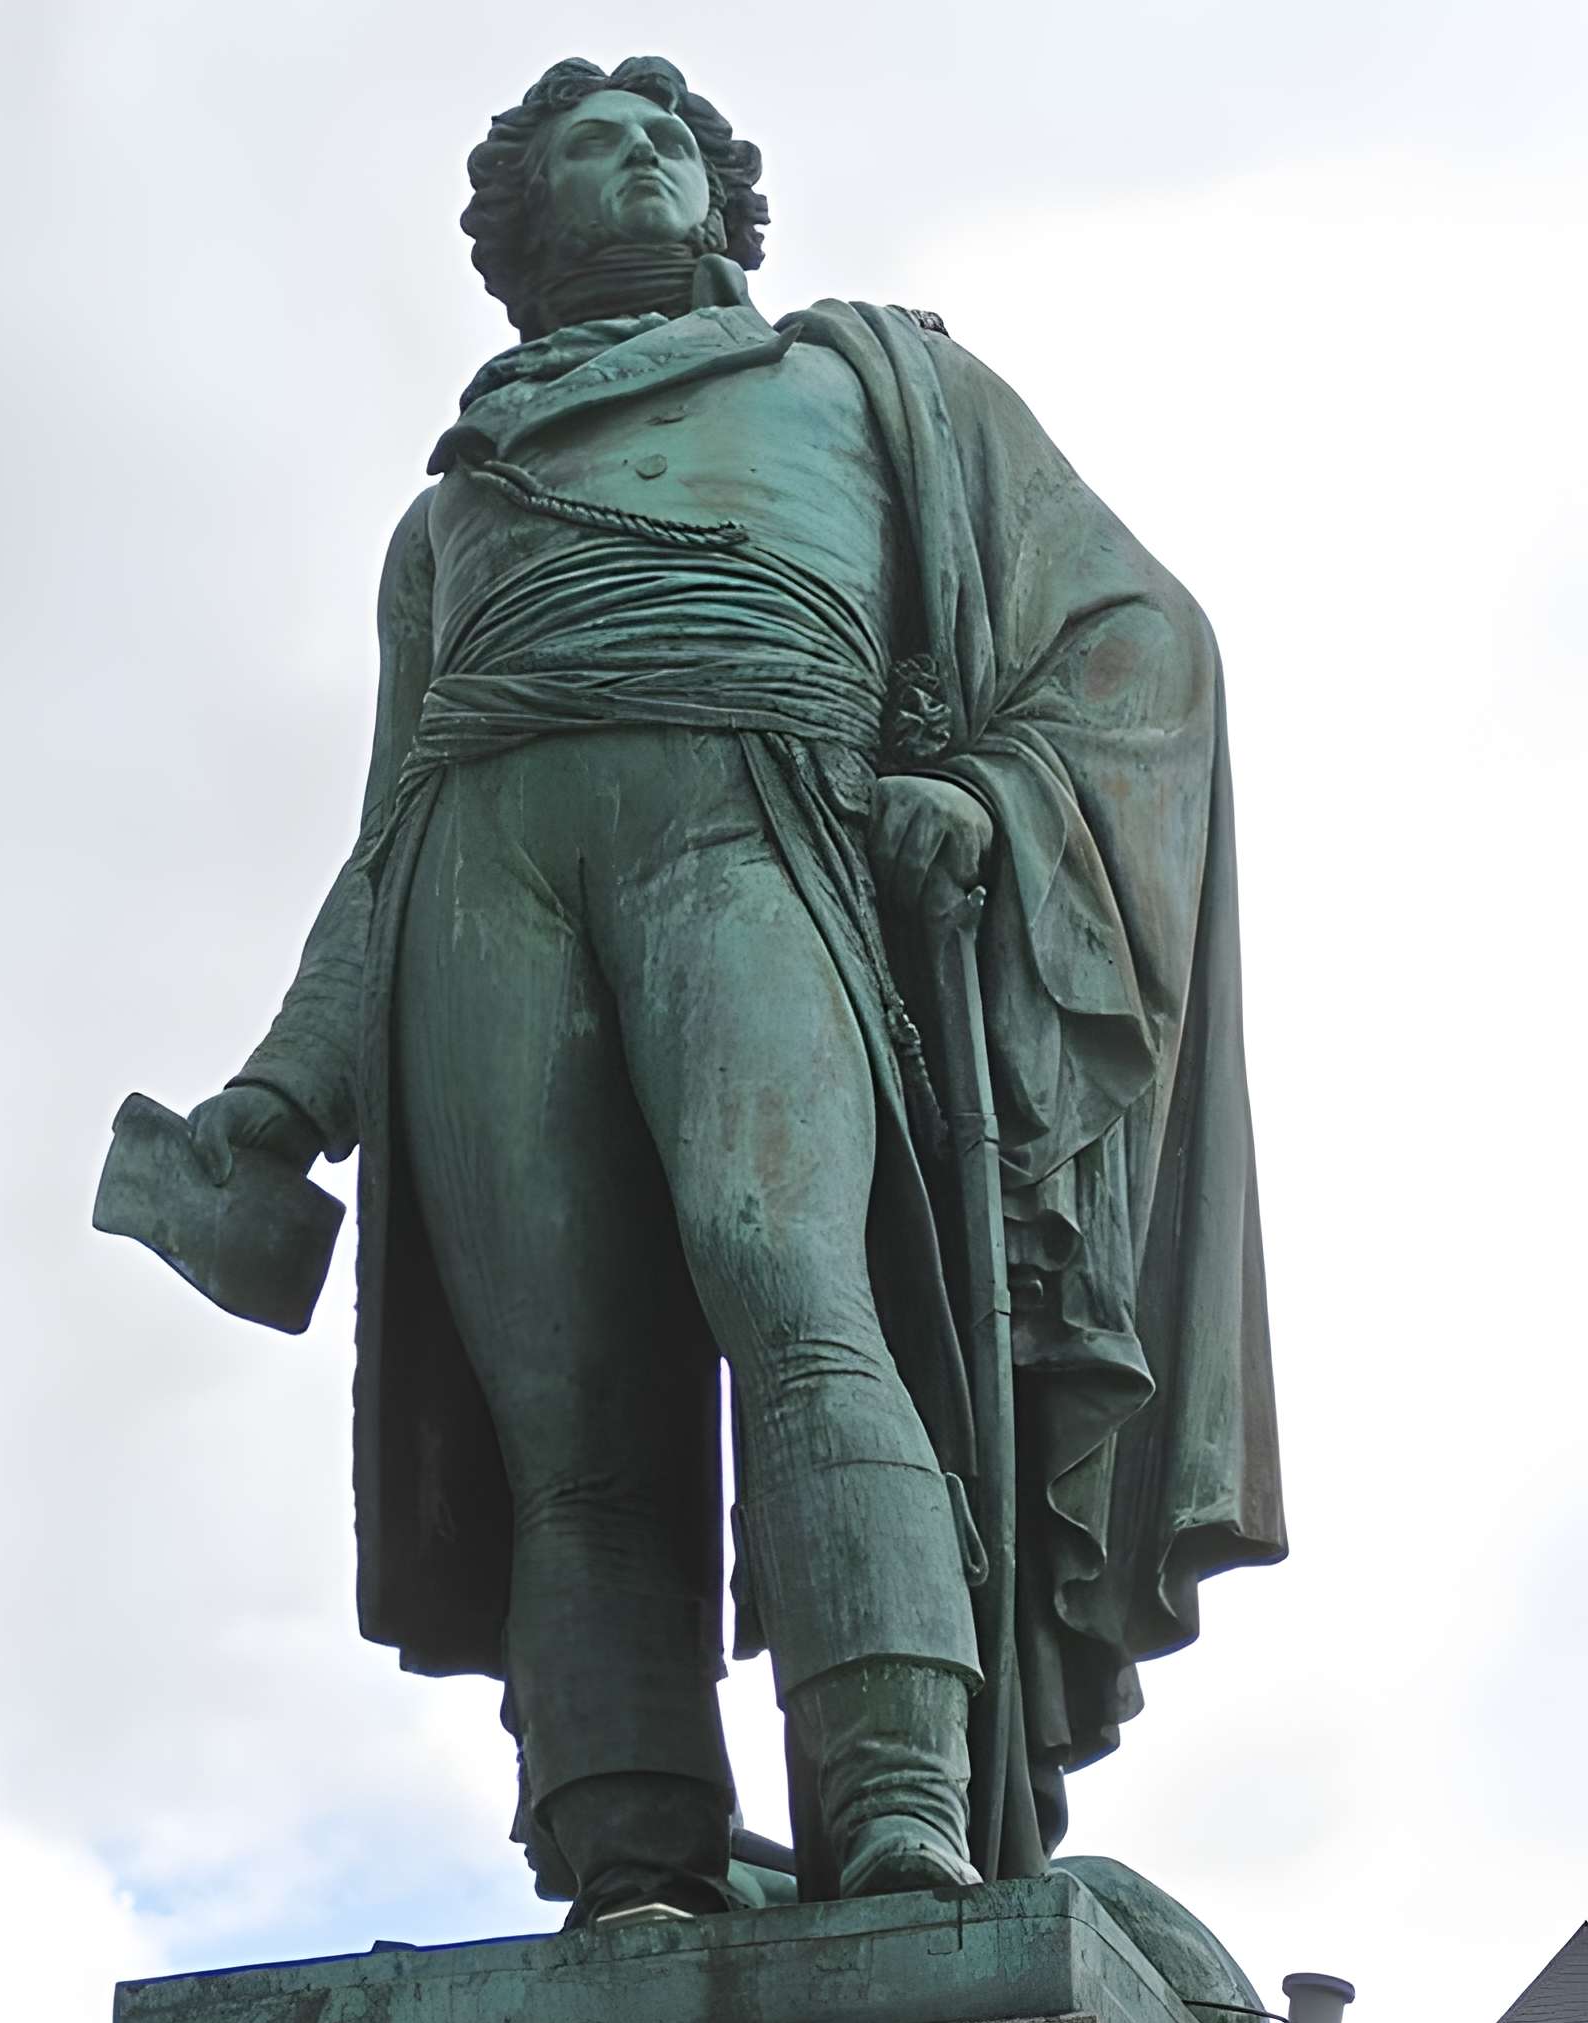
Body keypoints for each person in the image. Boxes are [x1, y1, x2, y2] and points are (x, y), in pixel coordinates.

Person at [179, 57, 1286, 1926]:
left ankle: (898, 1809)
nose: (636, 160)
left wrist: (990, 796)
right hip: (484, 878)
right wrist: (283, 1095)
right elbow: (389, 835)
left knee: (788, 1267)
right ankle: (630, 1857)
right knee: (570, 1396)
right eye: (593, 149)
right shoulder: (443, 523)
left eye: (668, 140)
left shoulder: (868, 383)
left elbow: (1136, 633)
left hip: (759, 814)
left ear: (724, 202)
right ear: (522, 232)